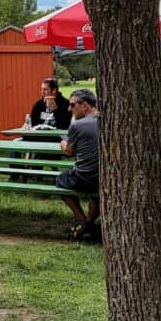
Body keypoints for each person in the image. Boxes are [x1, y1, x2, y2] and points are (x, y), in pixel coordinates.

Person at [57, 88, 100, 240]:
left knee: (61, 180)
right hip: (105, 179)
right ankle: (90, 222)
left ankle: (83, 221)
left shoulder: (78, 125)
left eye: (73, 105)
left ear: (85, 105)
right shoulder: (108, 120)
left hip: (84, 177)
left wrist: (63, 142)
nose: (69, 109)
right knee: (98, 195)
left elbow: (68, 152)